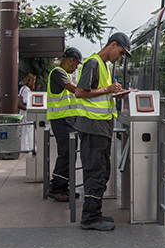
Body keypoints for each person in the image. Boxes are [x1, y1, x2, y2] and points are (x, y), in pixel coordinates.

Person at [74, 32, 131, 231]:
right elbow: (80, 92)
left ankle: (95, 213)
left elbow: (100, 93)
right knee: (95, 173)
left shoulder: (105, 66)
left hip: (101, 128)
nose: (121, 57)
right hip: (92, 127)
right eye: (121, 53)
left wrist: (115, 92)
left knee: (102, 172)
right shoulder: (93, 63)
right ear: (113, 45)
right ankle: (89, 217)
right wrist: (107, 90)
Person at [46, 47, 83, 202]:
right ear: (70, 60)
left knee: (69, 152)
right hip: (61, 119)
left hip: (66, 120)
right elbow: (75, 90)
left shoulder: (63, 74)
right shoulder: (58, 72)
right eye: (76, 65)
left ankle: (63, 186)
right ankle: (56, 188)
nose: (76, 68)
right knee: (66, 153)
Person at [19, 74, 36, 152]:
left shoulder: (22, 88)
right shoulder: (27, 90)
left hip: (22, 111)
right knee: (30, 129)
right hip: (27, 111)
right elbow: (25, 100)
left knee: (24, 130)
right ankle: (30, 146)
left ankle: (24, 146)